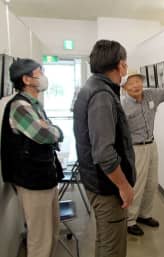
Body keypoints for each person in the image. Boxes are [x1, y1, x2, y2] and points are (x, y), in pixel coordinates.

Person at [73, 40, 136, 257]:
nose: (126, 68)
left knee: (104, 242)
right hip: (106, 187)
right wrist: (124, 186)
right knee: (113, 249)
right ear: (120, 65)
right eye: (125, 63)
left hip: (97, 181)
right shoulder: (101, 95)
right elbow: (104, 152)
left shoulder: (93, 87)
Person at [1, 58, 64, 257]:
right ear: (27, 79)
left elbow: (46, 132)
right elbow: (44, 135)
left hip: (44, 178)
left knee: (52, 231)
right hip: (32, 182)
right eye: (40, 72)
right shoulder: (20, 107)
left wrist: (51, 129)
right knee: (40, 239)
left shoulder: (33, 104)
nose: (44, 77)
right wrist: (56, 131)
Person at [122, 60, 164, 236]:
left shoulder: (151, 95)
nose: (136, 85)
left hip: (151, 144)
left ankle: (144, 215)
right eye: (131, 83)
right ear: (125, 87)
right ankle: (130, 220)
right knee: (137, 185)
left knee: (152, 183)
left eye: (138, 81)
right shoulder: (122, 106)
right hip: (135, 149)